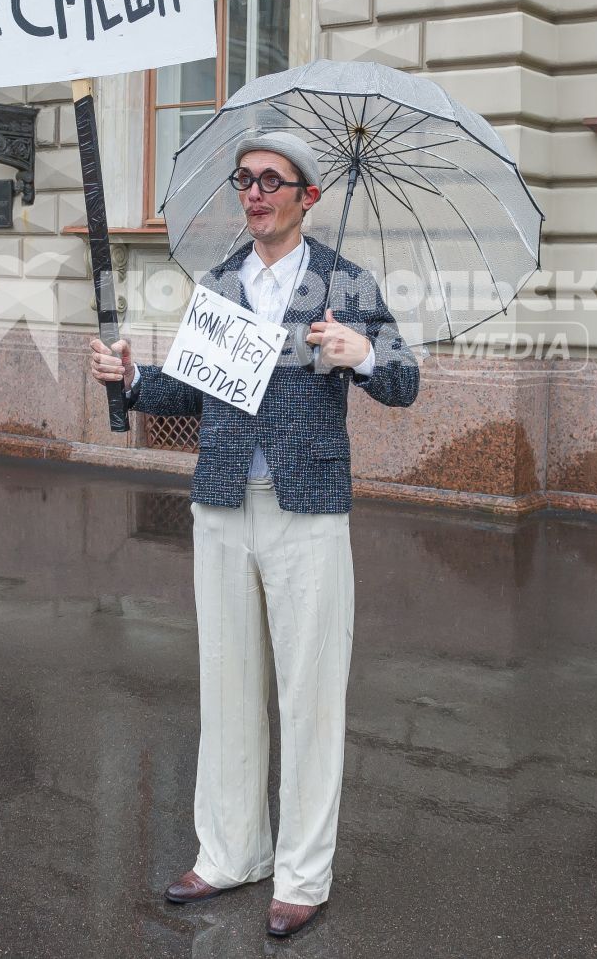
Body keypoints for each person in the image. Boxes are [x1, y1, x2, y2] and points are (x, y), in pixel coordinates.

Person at [90, 132, 419, 940]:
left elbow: (407, 380)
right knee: (228, 683)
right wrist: (133, 380)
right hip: (223, 503)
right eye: (246, 179)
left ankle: (304, 873)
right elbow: (193, 389)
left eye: (273, 180)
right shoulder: (222, 282)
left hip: (308, 509)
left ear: (307, 195)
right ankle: (232, 848)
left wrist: (363, 350)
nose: (255, 191)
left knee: (310, 695)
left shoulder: (344, 281)